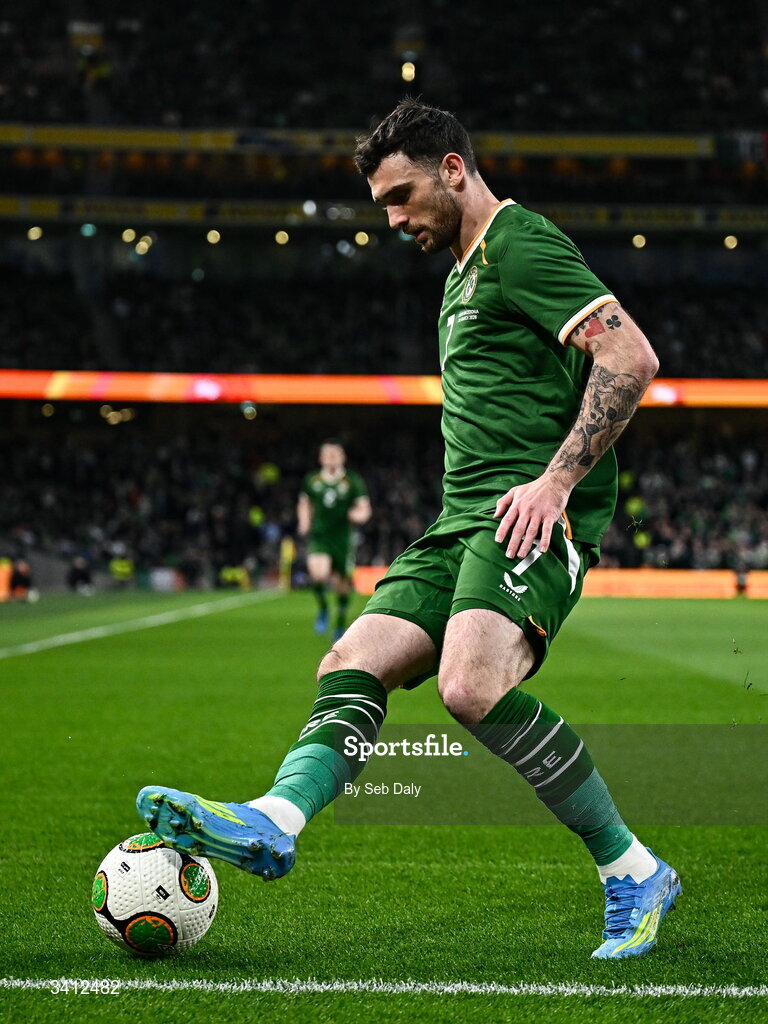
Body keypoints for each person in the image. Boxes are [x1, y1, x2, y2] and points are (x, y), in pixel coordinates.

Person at [138, 99, 680, 960]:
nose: (392, 220)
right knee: (352, 659)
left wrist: (557, 482)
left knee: (470, 687)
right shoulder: (462, 273)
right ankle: (274, 820)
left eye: (400, 197)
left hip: (528, 517)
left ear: (453, 170)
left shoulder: (520, 244)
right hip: (458, 521)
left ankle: (633, 869)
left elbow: (632, 356)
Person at [297, 440, 371, 639]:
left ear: (342, 457)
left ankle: (339, 624)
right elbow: (304, 502)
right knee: (318, 574)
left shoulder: (351, 481)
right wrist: (304, 520)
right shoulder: (312, 481)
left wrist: (358, 515)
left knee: (342, 584)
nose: (331, 458)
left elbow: (364, 507)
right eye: (327, 454)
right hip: (320, 536)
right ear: (321, 458)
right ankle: (323, 608)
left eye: (335, 454)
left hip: (343, 539)